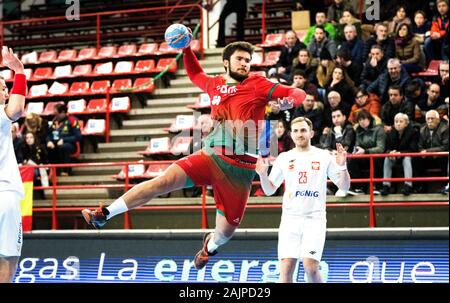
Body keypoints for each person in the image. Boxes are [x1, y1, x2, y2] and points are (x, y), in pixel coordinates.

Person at [81, 40, 307, 270]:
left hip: (241, 168)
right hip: (211, 155)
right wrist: (187, 48)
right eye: (239, 59)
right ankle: (105, 214)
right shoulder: (215, 84)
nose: (244, 64)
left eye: (248, 60)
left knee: (226, 232)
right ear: (226, 62)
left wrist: (289, 101)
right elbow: (195, 73)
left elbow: (296, 92)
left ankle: (209, 248)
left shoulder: (258, 84)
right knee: (164, 181)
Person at [255, 117, 350, 283]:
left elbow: (344, 186)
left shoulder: (323, 156)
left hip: (314, 219)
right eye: (296, 131)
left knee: (311, 268)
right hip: (290, 219)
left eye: (303, 130)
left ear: (311, 133)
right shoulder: (284, 158)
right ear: (291, 135)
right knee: (285, 270)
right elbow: (269, 190)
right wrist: (263, 174)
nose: (300, 134)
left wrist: (342, 166)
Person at [0, 46, 27, 283]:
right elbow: (17, 110)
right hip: (3, 193)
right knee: (8, 257)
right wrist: (19, 71)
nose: (7, 93)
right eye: (3, 89)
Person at [380, 113, 419, 196]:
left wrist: (401, 153)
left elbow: (413, 150)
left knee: (407, 158)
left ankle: (408, 185)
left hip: (410, 159)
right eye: (396, 121)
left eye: (401, 121)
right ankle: (386, 186)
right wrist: (390, 153)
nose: (398, 123)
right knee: (387, 158)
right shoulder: (390, 133)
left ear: (406, 123)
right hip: (395, 158)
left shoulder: (413, 132)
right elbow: (386, 149)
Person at [45, 103, 81, 176]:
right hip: (55, 143)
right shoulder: (54, 121)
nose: (55, 116)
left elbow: (78, 137)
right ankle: (51, 172)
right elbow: (48, 134)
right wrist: (48, 141)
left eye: (57, 114)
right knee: (46, 147)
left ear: (63, 112)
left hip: (69, 144)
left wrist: (64, 140)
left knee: (64, 147)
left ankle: (65, 171)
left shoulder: (73, 120)